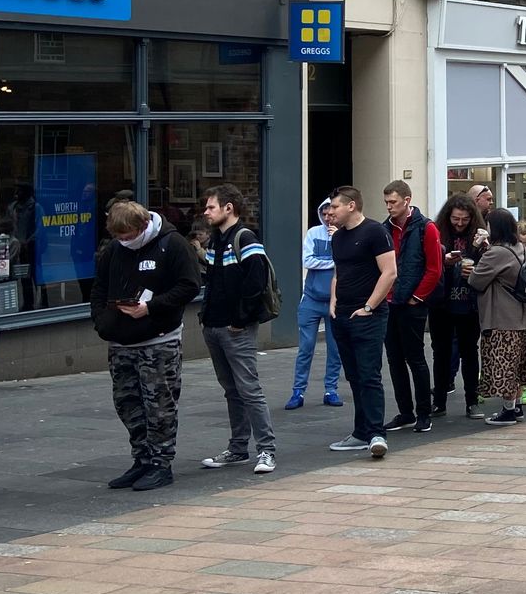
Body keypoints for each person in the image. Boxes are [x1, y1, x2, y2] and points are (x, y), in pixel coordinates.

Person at [91, 199, 200, 490]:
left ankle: (161, 463)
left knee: (159, 405)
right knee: (127, 404)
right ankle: (141, 459)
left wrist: (151, 307)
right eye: (119, 237)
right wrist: (101, 321)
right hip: (120, 341)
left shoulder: (173, 244)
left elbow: (190, 285)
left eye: (128, 237)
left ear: (142, 227)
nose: (124, 242)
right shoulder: (113, 250)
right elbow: (99, 287)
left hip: (158, 340)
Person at [197, 185, 278, 471]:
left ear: (229, 208)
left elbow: (256, 283)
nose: (206, 212)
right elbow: (211, 282)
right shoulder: (214, 241)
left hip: (236, 329)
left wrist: (239, 320)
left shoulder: (245, 238)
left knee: (249, 389)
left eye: (211, 207)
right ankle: (238, 448)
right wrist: (206, 319)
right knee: (231, 389)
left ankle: (266, 450)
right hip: (213, 326)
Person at [325, 186, 397, 457]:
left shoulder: (375, 232)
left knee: (369, 375)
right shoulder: (338, 238)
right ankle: (360, 432)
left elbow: (389, 273)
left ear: (351, 205)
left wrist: (369, 306)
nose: (330, 212)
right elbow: (338, 273)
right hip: (341, 316)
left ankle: (377, 433)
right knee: (354, 376)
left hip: (368, 317)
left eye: (334, 207)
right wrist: (333, 302)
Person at [380, 181, 442, 436]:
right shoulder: (385, 228)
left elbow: (434, 268)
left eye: (393, 202)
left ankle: (424, 412)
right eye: (386, 202)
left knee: (415, 358)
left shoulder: (426, 228)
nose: (389, 207)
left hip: (411, 303)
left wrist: (417, 297)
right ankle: (405, 411)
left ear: (407, 200)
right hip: (389, 302)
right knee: (394, 359)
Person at [468, 208, 526, 425]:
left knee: (503, 365)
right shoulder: (519, 248)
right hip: (521, 316)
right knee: (517, 366)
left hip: (502, 317)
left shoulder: (497, 253)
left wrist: (476, 252)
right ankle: (517, 408)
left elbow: (476, 280)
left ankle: (507, 411)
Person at [430, 192, 483, 418]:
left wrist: (477, 264)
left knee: (469, 352)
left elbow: (490, 266)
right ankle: (439, 401)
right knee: (440, 352)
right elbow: (428, 264)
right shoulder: (437, 234)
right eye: (455, 219)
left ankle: (472, 401)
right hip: (442, 302)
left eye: (464, 219)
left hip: (469, 304)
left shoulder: (479, 237)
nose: (460, 224)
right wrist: (445, 263)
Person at [288, 200, 343, 412]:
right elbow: (308, 261)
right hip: (311, 299)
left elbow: (347, 261)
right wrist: (332, 261)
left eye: (332, 214)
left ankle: (331, 389)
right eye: (325, 214)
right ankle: (298, 391)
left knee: (335, 348)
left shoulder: (343, 234)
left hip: (335, 300)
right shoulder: (313, 233)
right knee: (306, 347)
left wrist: (336, 241)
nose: (328, 218)